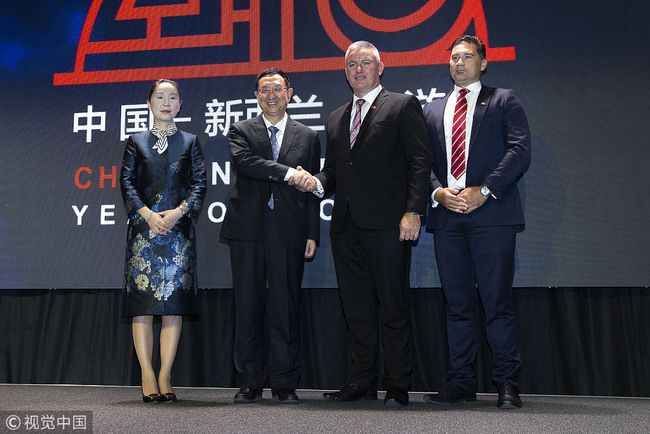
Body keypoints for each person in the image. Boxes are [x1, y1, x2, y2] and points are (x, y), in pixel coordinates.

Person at [290, 41, 431, 407]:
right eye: (351, 64)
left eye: (365, 63)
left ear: (380, 68)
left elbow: (419, 161)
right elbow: (337, 172)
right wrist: (317, 182)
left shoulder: (401, 105)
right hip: (346, 226)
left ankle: (398, 384)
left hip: (389, 224)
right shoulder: (337, 116)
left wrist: (414, 210)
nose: (358, 69)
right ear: (345, 70)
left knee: (393, 305)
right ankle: (361, 382)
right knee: (357, 309)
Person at [422, 35, 531, 409]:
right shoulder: (433, 109)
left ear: (483, 63)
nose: (460, 63)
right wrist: (437, 193)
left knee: (496, 300)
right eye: (454, 57)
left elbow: (519, 150)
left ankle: (506, 383)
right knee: (457, 304)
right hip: (447, 217)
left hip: (491, 215)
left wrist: (483, 191)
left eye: (468, 57)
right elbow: (422, 164)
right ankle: (461, 382)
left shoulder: (503, 99)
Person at [219, 68, 321, 404]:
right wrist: (291, 173)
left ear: (290, 93)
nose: (271, 95)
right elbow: (247, 163)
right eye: (264, 89)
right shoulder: (241, 130)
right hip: (248, 228)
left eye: (277, 88)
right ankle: (249, 381)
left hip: (290, 229)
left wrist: (312, 232)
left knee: (286, 306)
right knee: (247, 304)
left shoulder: (307, 135)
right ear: (256, 95)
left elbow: (311, 191)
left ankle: (284, 382)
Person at [120, 79, 206, 403]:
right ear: (149, 102)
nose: (166, 102)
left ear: (180, 104)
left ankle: (166, 375)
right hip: (144, 232)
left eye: (173, 97)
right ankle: (146, 374)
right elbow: (126, 182)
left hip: (178, 233)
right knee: (143, 308)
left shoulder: (190, 141)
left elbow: (199, 184)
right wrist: (147, 214)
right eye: (160, 96)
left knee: (174, 307)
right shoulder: (136, 141)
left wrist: (178, 212)